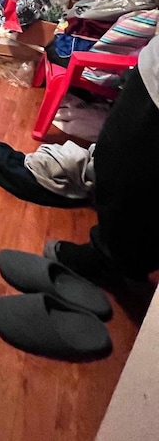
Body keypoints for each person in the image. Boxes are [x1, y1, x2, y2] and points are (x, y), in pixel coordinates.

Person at [45, 32, 159, 286]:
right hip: (152, 69)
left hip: (155, 87)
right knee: (118, 163)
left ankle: (109, 259)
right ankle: (123, 260)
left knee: (124, 169)